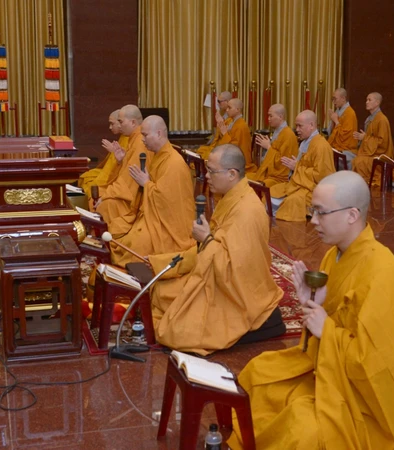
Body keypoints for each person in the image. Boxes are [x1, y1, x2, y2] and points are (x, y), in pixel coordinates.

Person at [227, 171, 394, 450]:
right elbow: (329, 324)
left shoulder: (385, 275)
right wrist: (312, 303)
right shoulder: (334, 254)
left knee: (303, 429)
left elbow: (380, 365)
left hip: (368, 398)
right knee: (260, 372)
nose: (313, 221)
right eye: (313, 211)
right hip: (331, 369)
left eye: (321, 212)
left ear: (351, 215)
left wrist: (327, 330)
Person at [149, 144, 284, 355]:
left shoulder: (246, 212)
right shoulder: (232, 197)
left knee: (177, 330)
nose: (206, 176)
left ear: (232, 174)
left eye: (212, 171)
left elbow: (233, 269)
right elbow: (219, 249)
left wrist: (206, 239)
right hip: (218, 274)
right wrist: (168, 263)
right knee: (161, 292)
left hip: (239, 291)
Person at [107, 115, 195, 266]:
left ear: (159, 133)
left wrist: (146, 183)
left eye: (145, 135)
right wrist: (145, 184)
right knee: (119, 231)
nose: (142, 140)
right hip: (153, 215)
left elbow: (168, 201)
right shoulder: (159, 156)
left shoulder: (174, 163)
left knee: (137, 245)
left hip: (169, 225)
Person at [96, 105, 151, 237]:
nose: (119, 126)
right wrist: (121, 160)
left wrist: (106, 195)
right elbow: (127, 172)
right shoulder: (133, 139)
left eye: (121, 122)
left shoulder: (140, 142)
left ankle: (106, 242)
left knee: (105, 206)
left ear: (133, 122)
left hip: (135, 201)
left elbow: (128, 180)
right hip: (129, 192)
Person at [270, 110, 335, 221]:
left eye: (300, 126)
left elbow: (322, 177)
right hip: (301, 184)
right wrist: (297, 166)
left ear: (311, 125)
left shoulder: (321, 146)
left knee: (292, 201)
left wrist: (296, 167)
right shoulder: (306, 142)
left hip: (315, 189)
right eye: (296, 126)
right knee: (272, 191)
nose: (297, 130)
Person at [78, 109, 130, 198]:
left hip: (117, 177)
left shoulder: (130, 138)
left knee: (92, 186)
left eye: (112, 124)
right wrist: (114, 152)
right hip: (111, 172)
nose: (110, 127)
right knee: (86, 176)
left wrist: (114, 152)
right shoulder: (123, 137)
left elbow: (127, 162)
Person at [248, 104, 299, 187]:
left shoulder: (288, 134)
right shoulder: (278, 132)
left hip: (280, 178)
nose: (268, 119)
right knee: (246, 177)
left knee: (260, 185)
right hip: (270, 173)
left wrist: (268, 147)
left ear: (280, 117)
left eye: (271, 116)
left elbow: (282, 162)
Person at [350, 92, 394, 183]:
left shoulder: (382, 119)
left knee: (359, 162)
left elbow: (383, 143)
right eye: (366, 100)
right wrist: (364, 137)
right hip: (371, 152)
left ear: (377, 103)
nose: (366, 102)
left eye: (369, 100)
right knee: (356, 160)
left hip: (380, 156)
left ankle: (362, 183)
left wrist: (365, 138)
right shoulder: (371, 118)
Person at [212, 98, 256, 173]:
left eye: (229, 108)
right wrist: (223, 131)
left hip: (240, 160)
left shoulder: (241, 126)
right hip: (233, 155)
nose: (227, 110)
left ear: (237, 109)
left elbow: (234, 147)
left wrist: (225, 134)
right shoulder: (233, 122)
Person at [198, 91, 233, 158]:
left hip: (224, 148)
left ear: (227, 102)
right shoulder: (224, 114)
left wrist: (221, 123)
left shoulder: (232, 118)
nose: (218, 104)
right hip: (218, 145)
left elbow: (227, 136)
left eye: (219, 101)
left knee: (204, 155)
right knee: (201, 150)